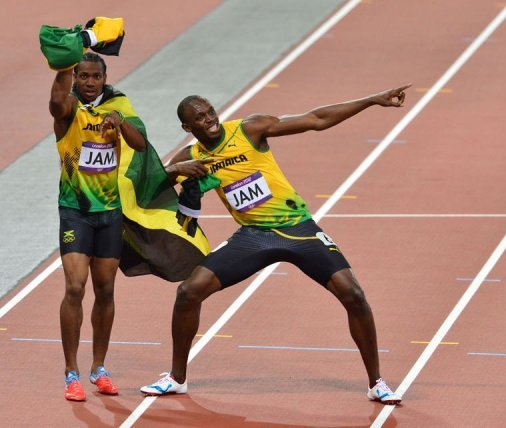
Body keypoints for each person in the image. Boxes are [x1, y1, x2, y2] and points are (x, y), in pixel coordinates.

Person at [140, 84, 411, 404]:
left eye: (210, 111)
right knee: (188, 292)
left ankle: (376, 382)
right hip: (253, 236)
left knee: (353, 293)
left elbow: (316, 119)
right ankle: (176, 378)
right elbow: (150, 191)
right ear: (188, 127)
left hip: (298, 228)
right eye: (199, 118)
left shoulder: (249, 129)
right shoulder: (192, 156)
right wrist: (175, 170)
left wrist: (372, 99)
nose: (209, 119)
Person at [50, 52, 147, 401]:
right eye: (84, 76)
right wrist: (62, 66)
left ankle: (99, 368)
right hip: (75, 211)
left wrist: (119, 121)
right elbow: (56, 102)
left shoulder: (118, 106)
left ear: (105, 78)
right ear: (75, 77)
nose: (90, 82)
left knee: (105, 289)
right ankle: (71, 372)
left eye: (96, 76)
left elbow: (140, 145)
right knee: (75, 287)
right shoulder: (69, 112)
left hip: (110, 213)